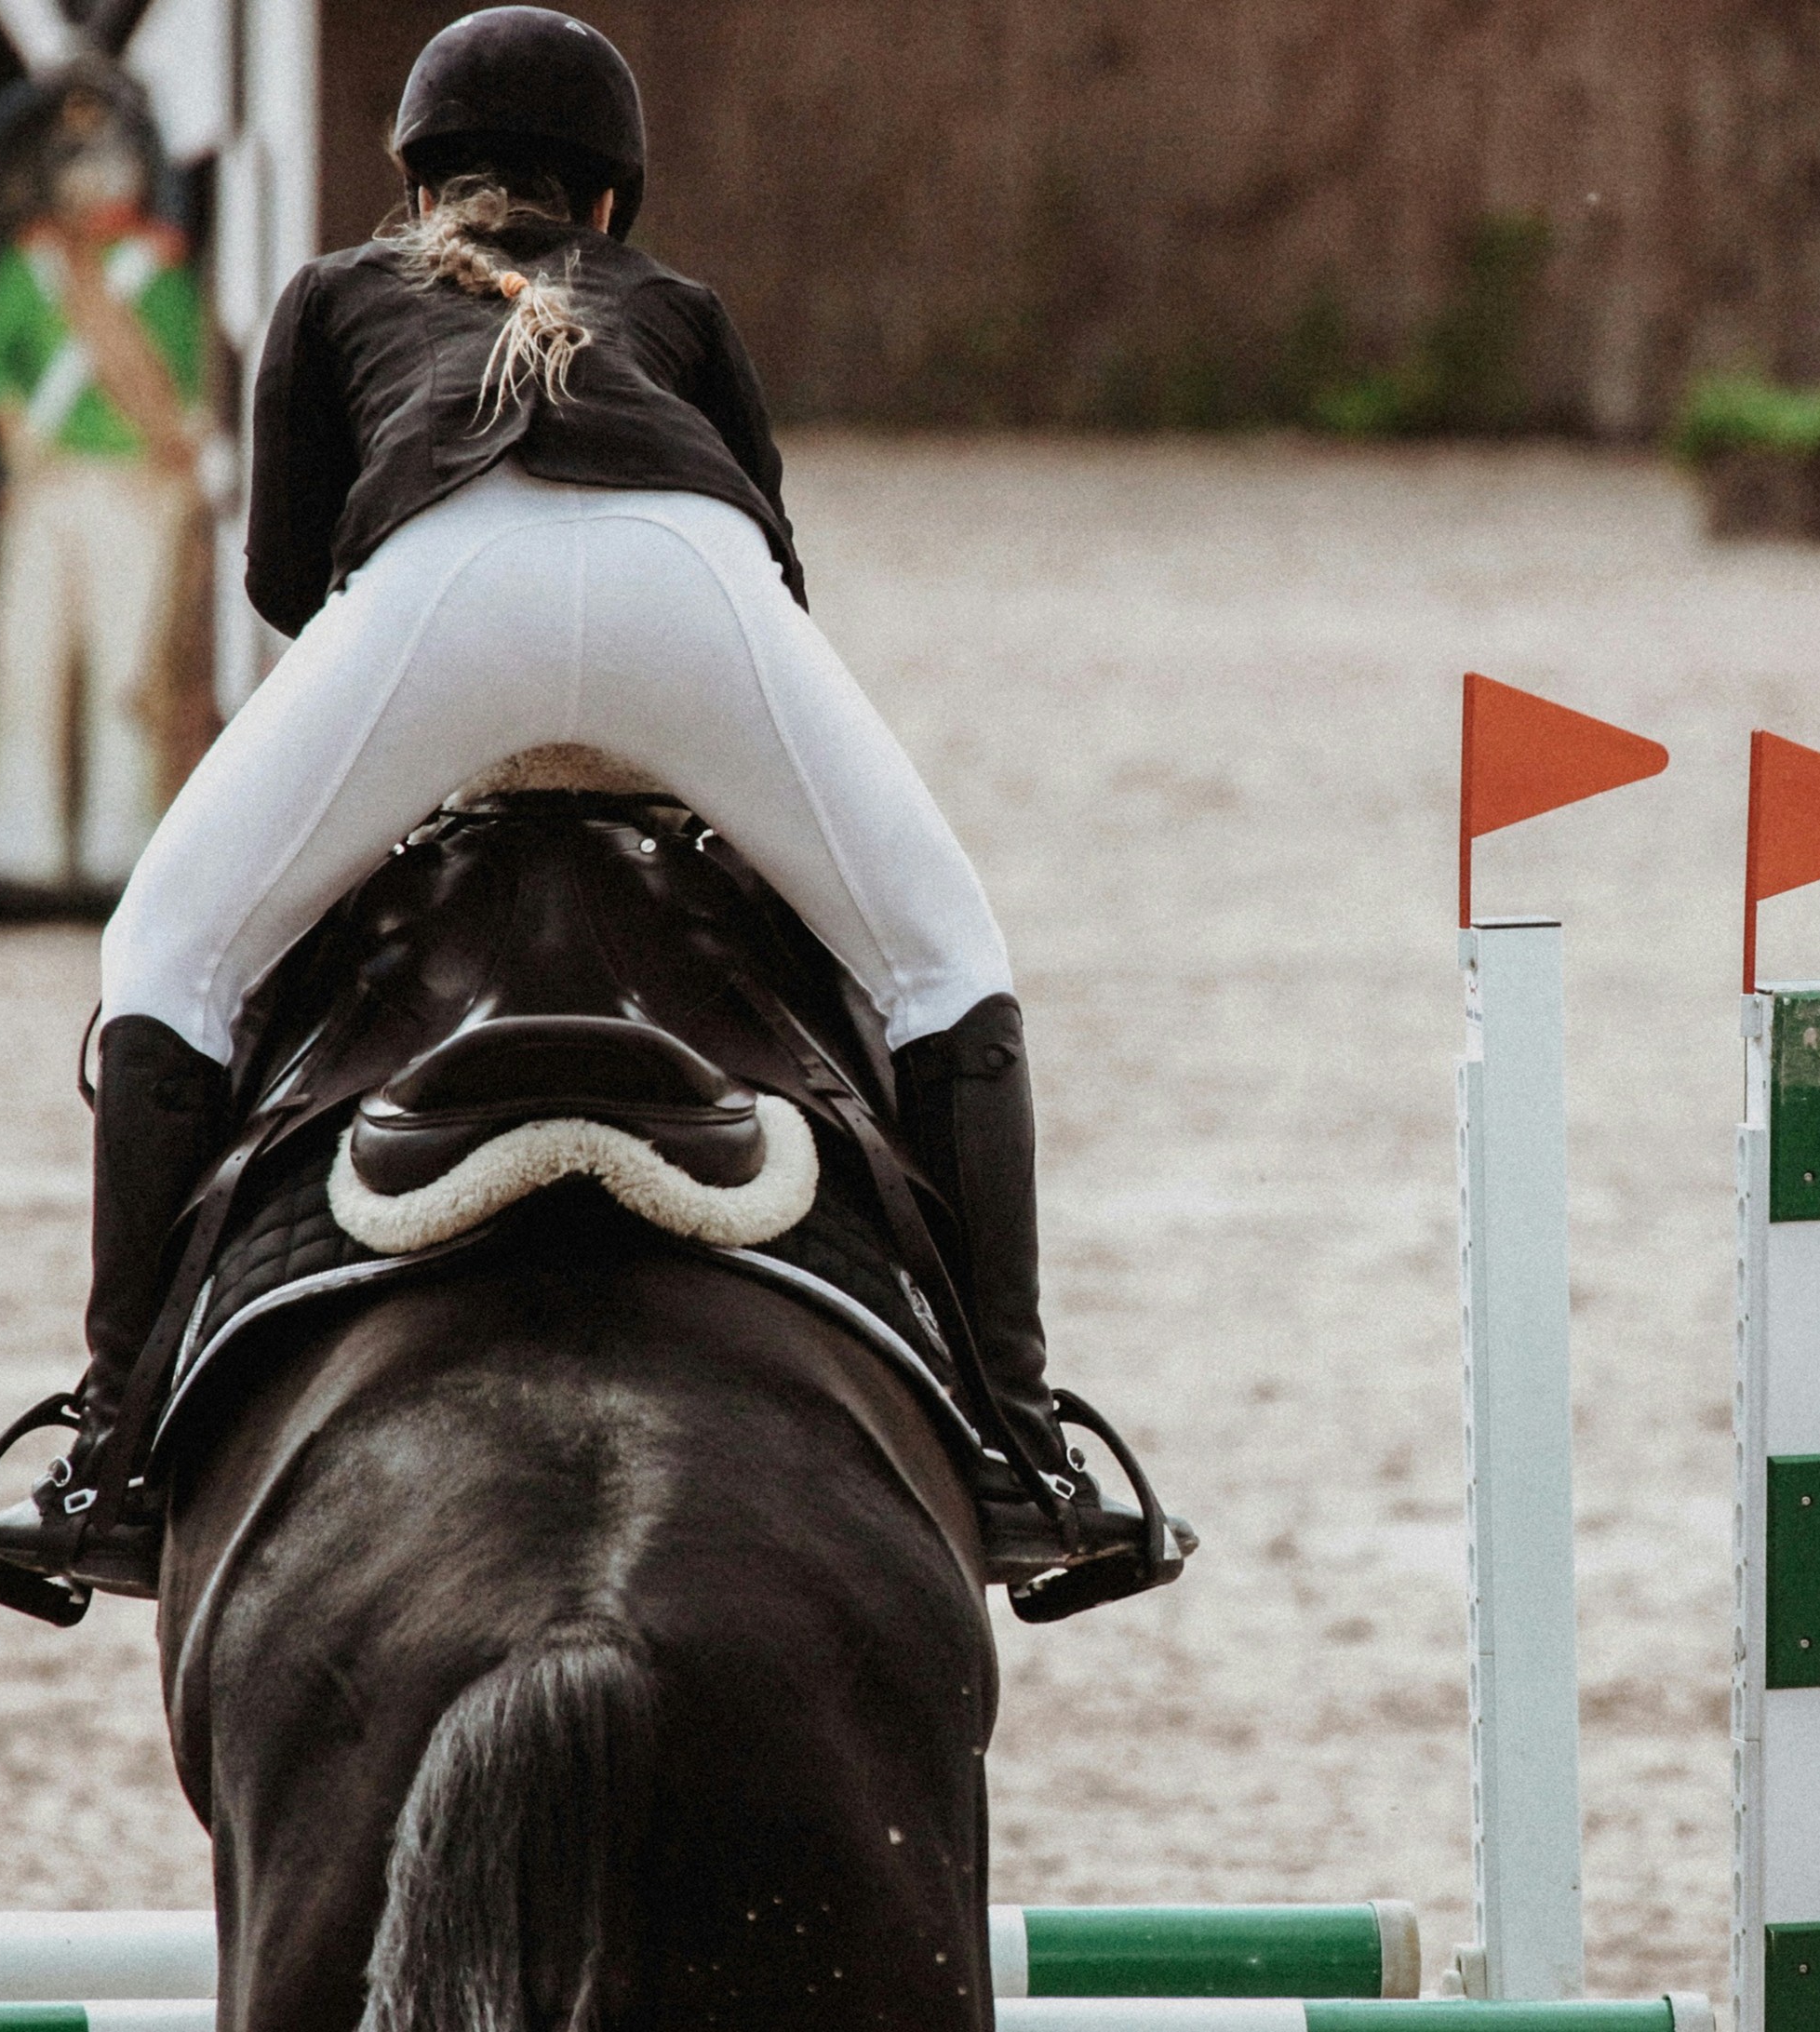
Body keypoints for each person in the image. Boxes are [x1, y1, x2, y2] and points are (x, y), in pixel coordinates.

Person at [69, 8, 1087, 1570]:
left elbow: (283, 583)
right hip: (685, 570)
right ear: (606, 201)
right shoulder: (674, 303)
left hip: (439, 581)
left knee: (166, 956)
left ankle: (111, 1447)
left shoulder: (334, 292)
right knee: (945, 965)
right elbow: (776, 563)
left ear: (419, 187)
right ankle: (1019, 1436)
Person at [0, 87, 211, 899]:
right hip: (49, 482)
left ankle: (124, 852)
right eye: (76, 164)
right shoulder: (30, 268)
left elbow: (186, 376)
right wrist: (13, 428)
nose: (92, 181)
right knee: (25, 660)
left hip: (134, 487)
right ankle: (18, 850)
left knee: (127, 672)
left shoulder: (159, 271)